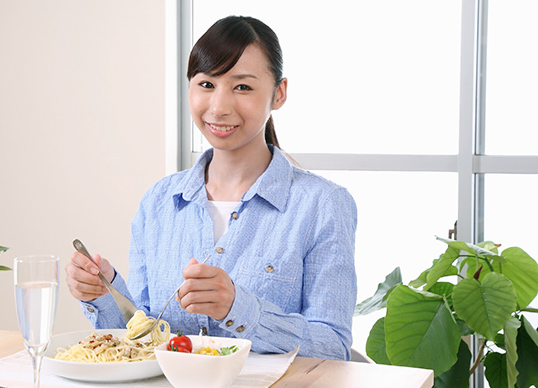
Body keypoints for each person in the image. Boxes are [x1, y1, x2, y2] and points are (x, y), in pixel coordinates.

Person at [65, 15, 357, 360]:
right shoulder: (159, 201)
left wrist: (239, 308)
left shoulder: (323, 204)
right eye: (206, 85)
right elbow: (141, 338)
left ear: (279, 94)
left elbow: (333, 347)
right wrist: (104, 292)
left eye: (242, 87)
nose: (219, 107)